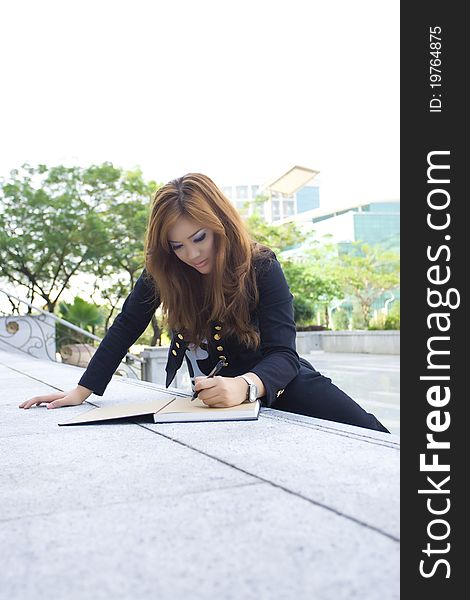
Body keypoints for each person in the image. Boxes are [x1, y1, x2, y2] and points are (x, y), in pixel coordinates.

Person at [20, 173, 389, 433]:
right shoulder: (163, 272)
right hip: (211, 403)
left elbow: (285, 354)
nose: (191, 254)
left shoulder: (260, 265)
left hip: (285, 385)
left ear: (220, 225)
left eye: (199, 238)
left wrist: (245, 386)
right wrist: (81, 392)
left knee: (373, 434)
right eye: (177, 245)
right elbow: (126, 326)